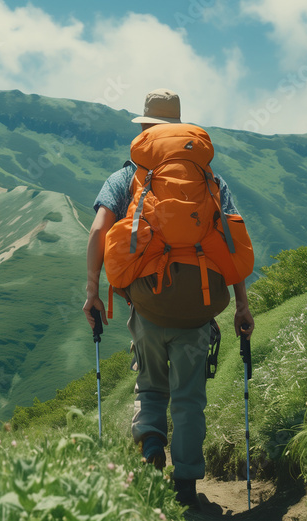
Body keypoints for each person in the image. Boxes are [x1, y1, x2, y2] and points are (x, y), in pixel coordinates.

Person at [83, 88, 255, 508]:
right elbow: (229, 244)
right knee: (190, 398)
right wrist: (243, 305)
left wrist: (92, 291)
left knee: (150, 387)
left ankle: (151, 452)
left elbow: (98, 231)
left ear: (145, 131)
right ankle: (187, 486)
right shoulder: (210, 180)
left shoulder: (127, 178)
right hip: (198, 308)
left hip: (148, 307)